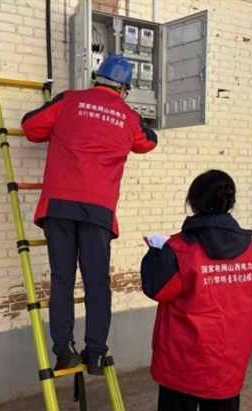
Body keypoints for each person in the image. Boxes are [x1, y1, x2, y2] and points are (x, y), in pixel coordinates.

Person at [21, 54, 158, 375]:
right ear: (123, 88)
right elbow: (148, 142)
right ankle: (95, 354)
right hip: (98, 210)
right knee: (97, 283)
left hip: (59, 206)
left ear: (96, 79)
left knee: (62, 279)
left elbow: (30, 126)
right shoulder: (128, 116)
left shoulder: (68, 100)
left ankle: (63, 351)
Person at [140, 170, 252, 411]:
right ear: (230, 202)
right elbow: (251, 300)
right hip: (228, 359)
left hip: (183, 360)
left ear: (193, 202)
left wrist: (156, 254)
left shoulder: (179, 248)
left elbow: (157, 289)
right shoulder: (251, 248)